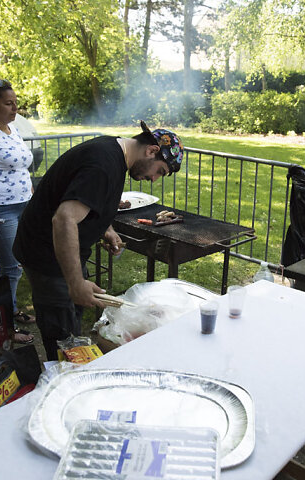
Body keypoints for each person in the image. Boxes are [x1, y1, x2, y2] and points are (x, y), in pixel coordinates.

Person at [13, 121, 184, 360]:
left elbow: (89, 200)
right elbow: (64, 219)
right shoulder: (103, 166)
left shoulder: (115, 151)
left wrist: (105, 228)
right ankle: (64, 375)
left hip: (58, 251)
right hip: (46, 256)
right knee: (63, 336)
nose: (154, 179)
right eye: (160, 171)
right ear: (151, 151)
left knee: (72, 319)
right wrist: (75, 283)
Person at [0, 74, 35, 345]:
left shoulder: (13, 130)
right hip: (2, 209)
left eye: (15, 103)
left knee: (19, 263)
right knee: (11, 267)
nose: (15, 108)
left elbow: (21, 166)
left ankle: (9, 311)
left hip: (25, 205)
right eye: (8, 104)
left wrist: (32, 195)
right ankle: (6, 328)